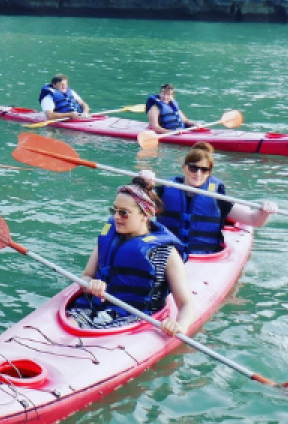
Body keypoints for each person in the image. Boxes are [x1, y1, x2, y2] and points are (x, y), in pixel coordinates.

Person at [76, 178, 193, 336]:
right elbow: (87, 276)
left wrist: (180, 326)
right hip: (93, 309)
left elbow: (186, 304)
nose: (116, 217)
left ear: (145, 215)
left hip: (135, 319)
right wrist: (91, 283)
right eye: (114, 211)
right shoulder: (109, 240)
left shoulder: (167, 252)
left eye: (124, 213)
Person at [144, 143, 277, 255]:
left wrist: (264, 212)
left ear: (209, 172)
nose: (198, 174)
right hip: (166, 255)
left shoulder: (217, 197)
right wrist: (143, 183)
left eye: (204, 170)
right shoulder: (163, 191)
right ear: (184, 167)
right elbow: (133, 201)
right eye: (193, 168)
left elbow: (254, 220)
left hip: (205, 257)